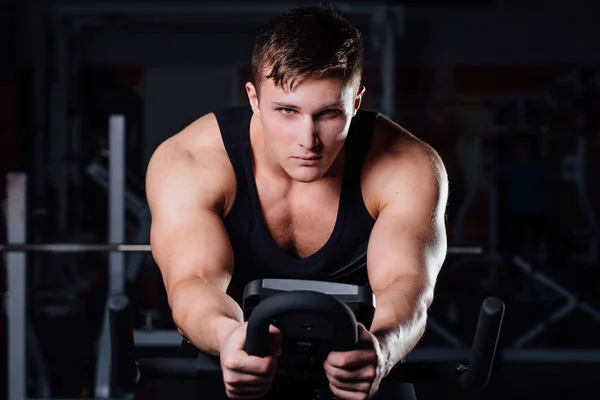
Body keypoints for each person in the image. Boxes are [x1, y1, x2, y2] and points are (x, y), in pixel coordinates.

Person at [146, 5, 448, 400]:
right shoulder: (190, 161)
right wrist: (227, 338)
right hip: (233, 359)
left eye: (327, 114)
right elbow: (194, 281)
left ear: (355, 103)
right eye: (287, 111)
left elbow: (405, 285)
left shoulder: (406, 165)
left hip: (359, 361)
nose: (308, 139)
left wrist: (383, 349)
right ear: (253, 97)